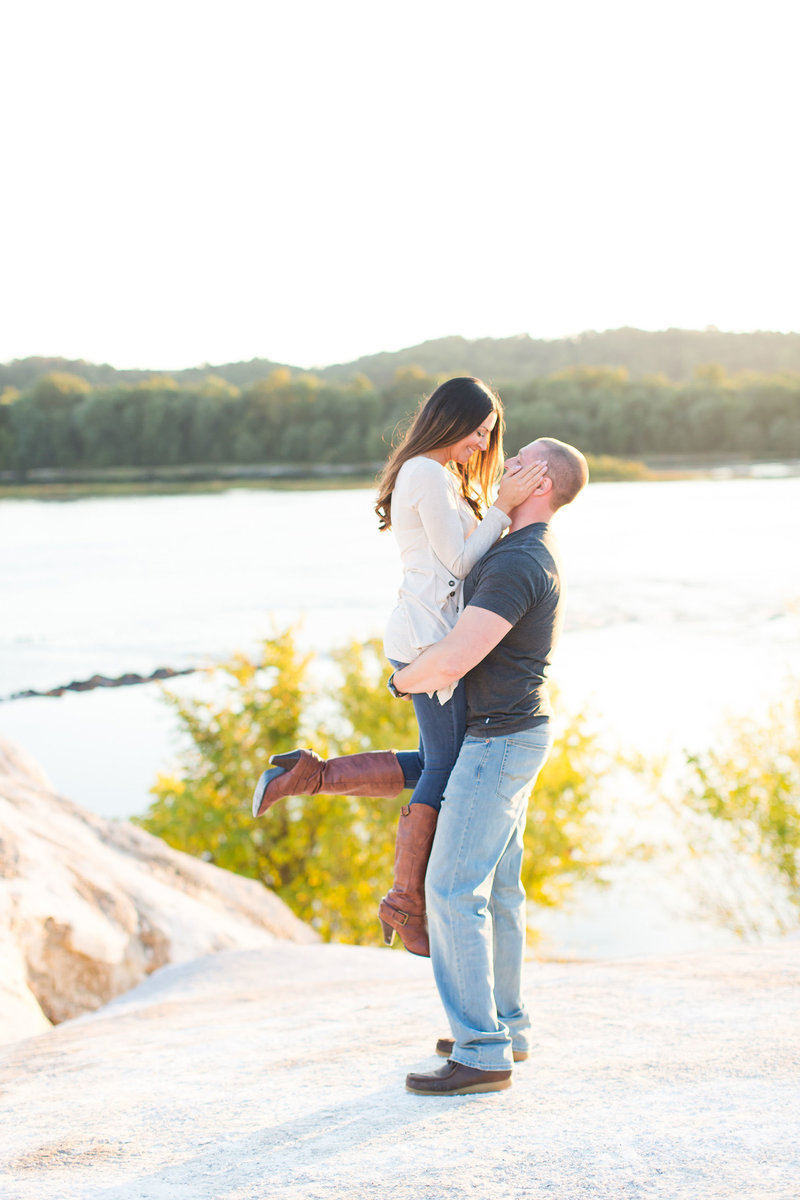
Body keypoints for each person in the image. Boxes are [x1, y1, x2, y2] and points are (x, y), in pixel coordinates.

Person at [251, 377, 545, 956]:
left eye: (490, 436)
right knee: (447, 764)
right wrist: (505, 507)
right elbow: (460, 562)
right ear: (449, 419)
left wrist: (503, 510)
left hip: (436, 637)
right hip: (426, 641)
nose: (482, 446)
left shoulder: (443, 477)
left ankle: (308, 776)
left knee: (447, 760)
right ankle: (406, 904)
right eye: (478, 432)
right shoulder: (424, 474)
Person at [391, 435, 589, 1096]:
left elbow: (452, 660)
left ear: (540, 482)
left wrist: (403, 679)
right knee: (500, 888)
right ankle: (506, 1024)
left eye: (517, 459)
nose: (503, 462)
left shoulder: (517, 563)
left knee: (452, 888)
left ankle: (481, 1052)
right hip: (516, 735)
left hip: (498, 741)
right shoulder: (520, 549)